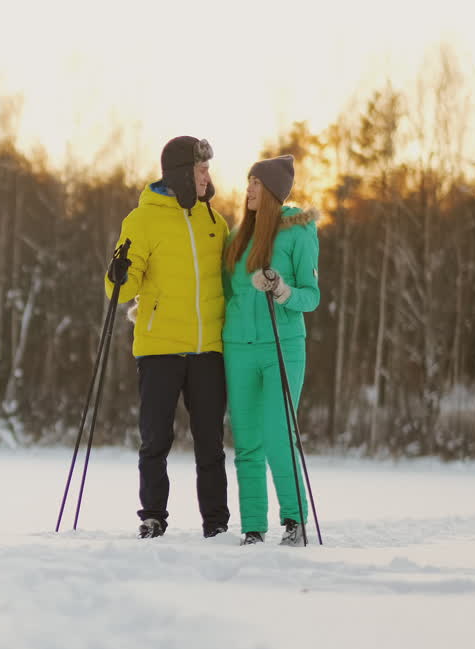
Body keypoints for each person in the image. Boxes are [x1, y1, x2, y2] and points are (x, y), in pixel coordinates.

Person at [104, 136, 232, 540]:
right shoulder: (141, 220)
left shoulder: (215, 222)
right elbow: (120, 293)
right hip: (159, 348)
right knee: (156, 438)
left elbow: (230, 284)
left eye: (207, 169)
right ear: (182, 173)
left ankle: (216, 522)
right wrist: (118, 273)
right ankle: (153, 516)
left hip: (208, 348)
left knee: (210, 442)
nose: (207, 177)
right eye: (201, 170)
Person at [220, 155, 320, 546]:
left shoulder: (299, 231)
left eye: (256, 184)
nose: (249, 190)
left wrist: (282, 289)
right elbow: (226, 293)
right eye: (248, 182)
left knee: (278, 433)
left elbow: (311, 297)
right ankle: (253, 527)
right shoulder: (237, 237)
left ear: (274, 191)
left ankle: (294, 520)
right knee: (246, 441)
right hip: (238, 347)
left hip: (283, 345)